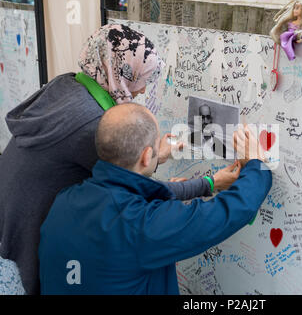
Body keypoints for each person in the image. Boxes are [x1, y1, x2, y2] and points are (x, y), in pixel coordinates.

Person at [0, 24, 220, 295]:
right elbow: (136, 193)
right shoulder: (93, 123)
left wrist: (156, 157)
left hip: (11, 218)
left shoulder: (69, 84)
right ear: (120, 72)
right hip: (30, 231)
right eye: (140, 79)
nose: (141, 92)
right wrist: (208, 182)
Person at [39, 103, 272, 295]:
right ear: (146, 155)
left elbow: (126, 192)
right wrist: (256, 165)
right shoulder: (140, 226)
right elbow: (226, 213)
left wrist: (208, 184)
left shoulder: (63, 201)